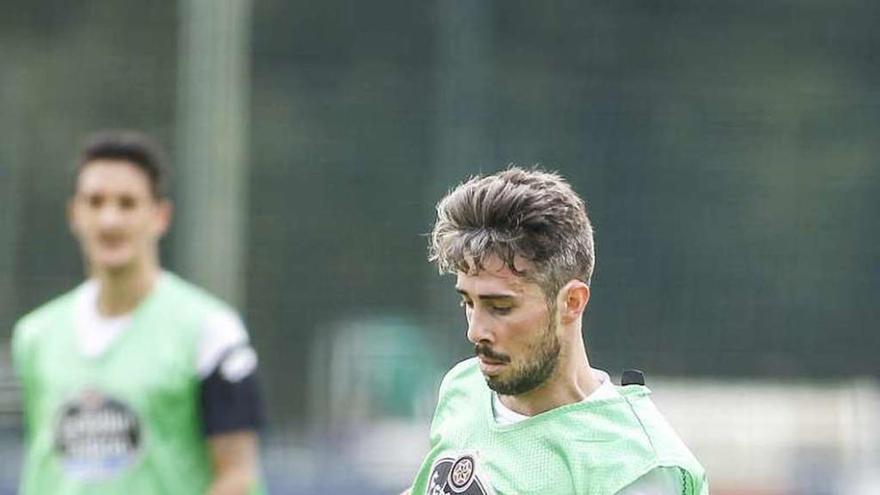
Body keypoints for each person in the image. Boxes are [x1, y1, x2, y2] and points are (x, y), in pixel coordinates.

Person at [404, 167, 707, 495]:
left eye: (501, 307)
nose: (476, 332)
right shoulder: (463, 388)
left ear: (571, 302)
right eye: (468, 302)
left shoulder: (636, 469)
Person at [12, 131, 265, 495]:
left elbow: (238, 476)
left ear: (159, 216)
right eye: (95, 202)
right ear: (74, 214)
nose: (110, 220)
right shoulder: (35, 336)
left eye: (127, 203)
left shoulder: (210, 331)